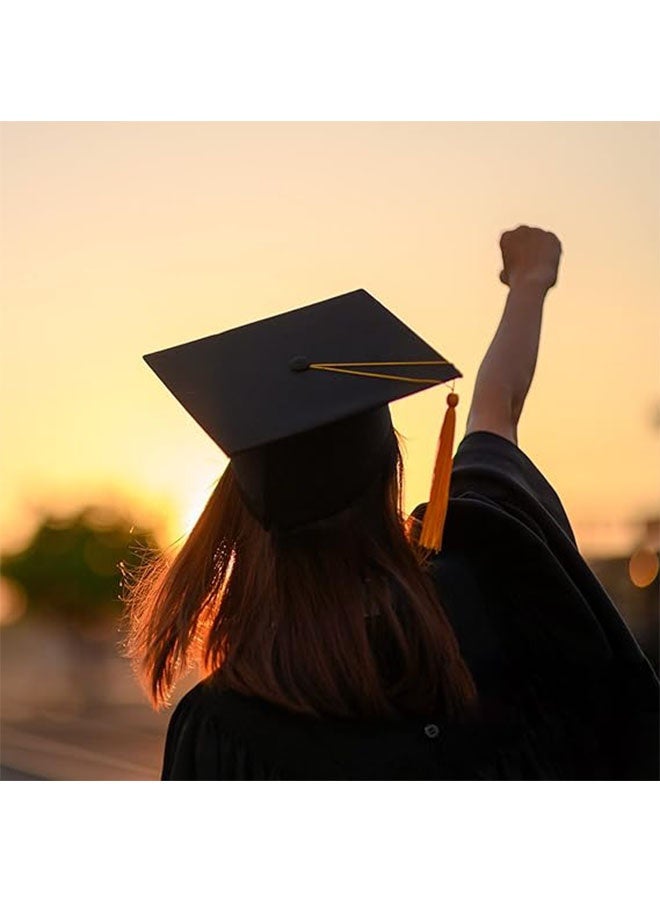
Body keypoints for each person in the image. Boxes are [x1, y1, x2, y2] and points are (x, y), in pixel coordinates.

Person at [125, 225, 659, 780]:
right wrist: (530, 280)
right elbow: (496, 410)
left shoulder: (222, 725)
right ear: (390, 477)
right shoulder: (487, 598)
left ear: (245, 512)